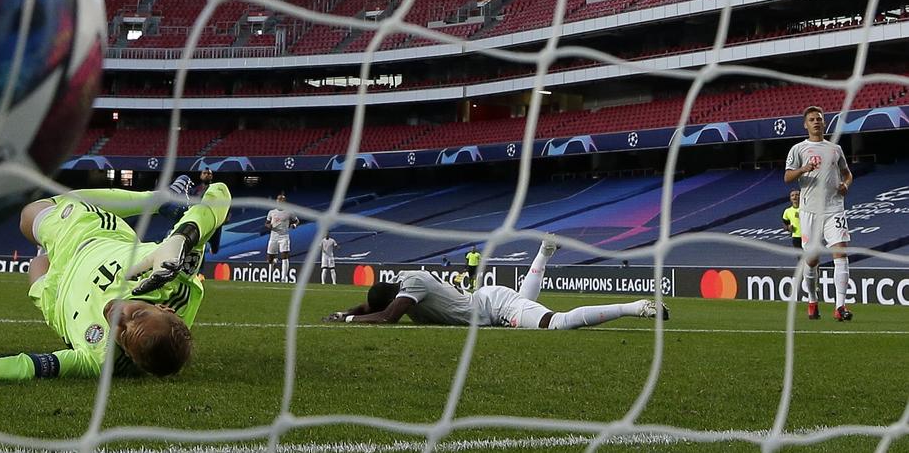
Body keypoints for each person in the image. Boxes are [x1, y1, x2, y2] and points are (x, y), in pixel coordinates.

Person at [0, 176, 231, 381]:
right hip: (92, 236)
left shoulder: (98, 361)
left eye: (123, 336)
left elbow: (36, 365)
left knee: (36, 259)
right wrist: (184, 237)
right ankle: (155, 201)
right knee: (30, 215)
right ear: (167, 311)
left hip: (56, 291)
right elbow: (219, 194)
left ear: (128, 355)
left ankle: (155, 201)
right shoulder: (175, 284)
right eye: (138, 314)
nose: (118, 317)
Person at [324, 239, 668, 329]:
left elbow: (385, 318)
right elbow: (373, 307)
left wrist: (353, 321)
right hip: (490, 301)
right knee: (526, 304)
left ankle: (635, 307)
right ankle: (544, 253)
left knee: (556, 323)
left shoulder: (412, 284)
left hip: (494, 306)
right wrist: (345, 313)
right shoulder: (399, 284)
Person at [784, 106, 855, 322]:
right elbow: (787, 177)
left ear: (824, 123)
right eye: (812, 119)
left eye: (819, 119)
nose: (816, 122)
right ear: (805, 124)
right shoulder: (798, 149)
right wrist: (803, 170)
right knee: (812, 260)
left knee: (840, 253)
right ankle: (813, 300)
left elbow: (848, 174)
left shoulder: (835, 149)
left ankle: (840, 306)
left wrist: (845, 184)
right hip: (810, 211)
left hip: (834, 208)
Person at [265, 191, 299, 281]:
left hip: (284, 236)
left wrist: (294, 225)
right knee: (269, 258)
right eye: (279, 200)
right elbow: (267, 223)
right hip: (273, 236)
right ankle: (274, 261)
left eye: (282, 200)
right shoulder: (271, 212)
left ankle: (283, 278)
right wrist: (269, 226)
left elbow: (296, 220)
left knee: (285, 255)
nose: (280, 202)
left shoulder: (289, 212)